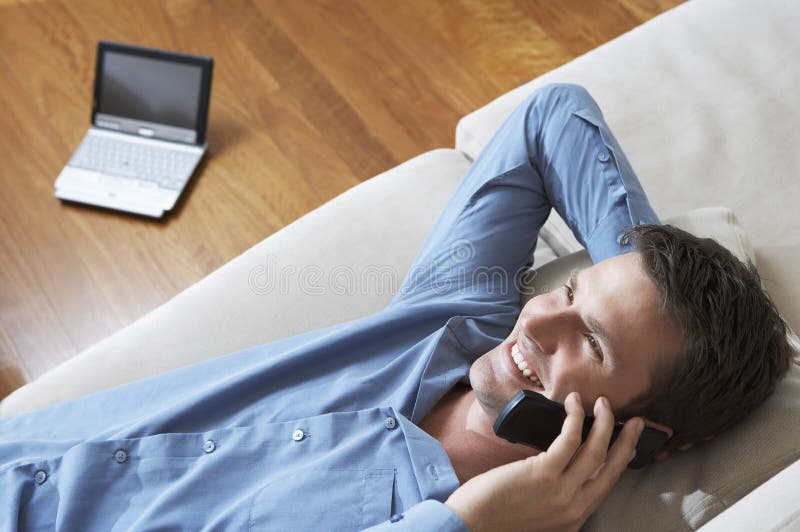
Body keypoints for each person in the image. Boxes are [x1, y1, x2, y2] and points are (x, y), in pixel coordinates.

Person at [0, 84, 792, 531]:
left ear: (643, 439)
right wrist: (640, 272)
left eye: (589, 340)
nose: (536, 321)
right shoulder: (452, 321)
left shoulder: (455, 519)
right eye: (568, 292)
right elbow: (553, 116)